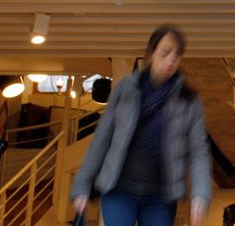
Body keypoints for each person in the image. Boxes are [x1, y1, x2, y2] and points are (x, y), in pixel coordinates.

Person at [72, 25, 211, 226]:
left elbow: (198, 152)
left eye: (176, 55)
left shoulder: (189, 101)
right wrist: (82, 184)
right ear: (150, 54)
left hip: (160, 197)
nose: (170, 61)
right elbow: (102, 139)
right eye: (165, 53)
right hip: (119, 189)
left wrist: (200, 194)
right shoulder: (126, 89)